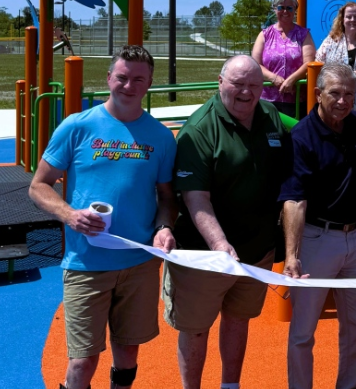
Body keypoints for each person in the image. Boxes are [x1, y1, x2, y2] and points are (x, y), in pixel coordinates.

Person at [28, 45, 177, 389]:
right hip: (86, 263)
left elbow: (168, 197)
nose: (128, 85)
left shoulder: (160, 137)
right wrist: (69, 215)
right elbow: (39, 186)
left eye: (138, 79)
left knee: (127, 355)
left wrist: (164, 227)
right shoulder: (77, 127)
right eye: (122, 77)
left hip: (139, 263)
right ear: (109, 78)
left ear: (149, 83)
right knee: (82, 361)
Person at [164, 55, 291, 389]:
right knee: (196, 326)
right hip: (203, 255)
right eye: (238, 84)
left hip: (256, 250)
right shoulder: (199, 129)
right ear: (220, 82)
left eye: (253, 85)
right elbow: (196, 198)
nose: (246, 92)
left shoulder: (271, 115)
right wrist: (220, 244)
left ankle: (230, 386)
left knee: (238, 320)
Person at [280, 63, 356, 389]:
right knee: (303, 332)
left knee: (355, 326)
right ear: (318, 94)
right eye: (335, 93)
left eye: (349, 94)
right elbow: (294, 200)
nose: (342, 100)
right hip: (316, 240)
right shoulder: (302, 136)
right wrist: (292, 255)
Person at [252, 0, 316, 118]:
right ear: (275, 9)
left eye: (289, 8)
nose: (285, 11)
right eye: (281, 7)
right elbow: (255, 64)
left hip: (296, 98)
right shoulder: (265, 34)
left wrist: (291, 80)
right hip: (268, 99)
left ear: (295, 10)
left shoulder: (303, 34)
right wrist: (274, 78)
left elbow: (309, 62)